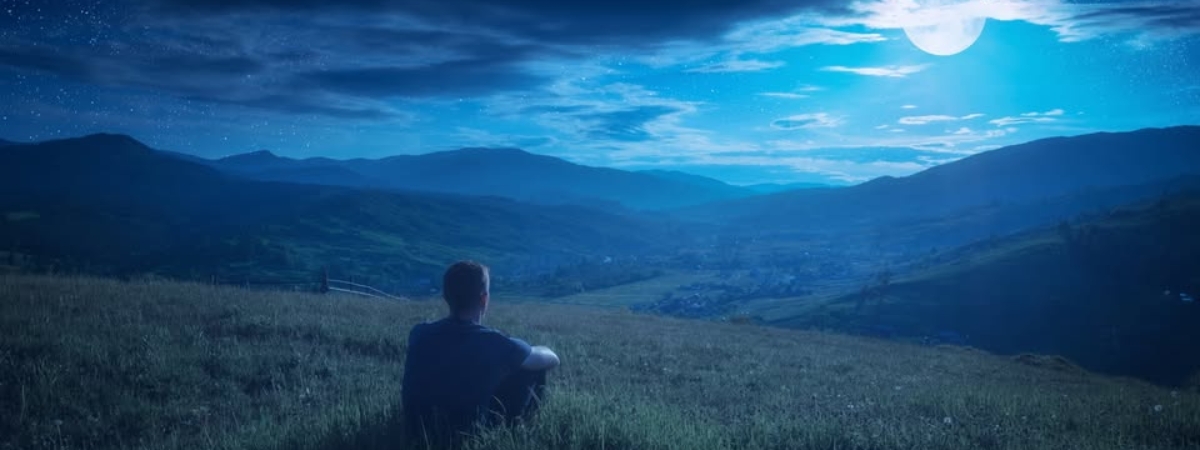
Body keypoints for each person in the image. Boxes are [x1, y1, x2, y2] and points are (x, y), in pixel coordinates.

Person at [402, 260, 560, 446]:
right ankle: (518, 431)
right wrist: (514, 347)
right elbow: (551, 358)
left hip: (415, 430)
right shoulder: (493, 343)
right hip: (465, 437)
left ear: (446, 296)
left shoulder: (419, 332)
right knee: (532, 368)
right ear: (484, 299)